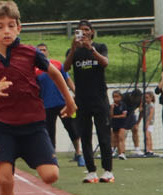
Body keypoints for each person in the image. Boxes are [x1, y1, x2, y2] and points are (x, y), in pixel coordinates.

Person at [0, 0, 75, 195]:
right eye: (0, 27)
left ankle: (28, 159)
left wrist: (70, 100)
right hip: (4, 127)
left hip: (33, 125)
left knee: (50, 176)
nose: (6, 31)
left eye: (11, 25)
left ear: (19, 28)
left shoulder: (31, 53)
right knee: (4, 179)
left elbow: (56, 72)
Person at [65, 19, 113, 184]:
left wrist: (90, 49)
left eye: (86, 30)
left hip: (99, 99)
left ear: (92, 32)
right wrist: (73, 49)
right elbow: (65, 68)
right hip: (82, 100)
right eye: (80, 30)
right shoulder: (74, 51)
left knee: (103, 135)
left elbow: (105, 62)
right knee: (85, 136)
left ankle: (107, 171)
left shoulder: (100, 47)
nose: (83, 33)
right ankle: (91, 171)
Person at [36, 42, 80, 164]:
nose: (42, 52)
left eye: (44, 50)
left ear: (48, 52)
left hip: (63, 103)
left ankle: (78, 153)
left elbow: (67, 79)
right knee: (49, 132)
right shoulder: (34, 70)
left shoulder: (56, 64)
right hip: (46, 105)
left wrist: (76, 93)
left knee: (72, 128)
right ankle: (52, 156)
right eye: (40, 50)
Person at [110, 90, 128, 159]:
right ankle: (115, 152)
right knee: (114, 139)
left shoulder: (123, 105)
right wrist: (112, 108)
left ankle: (122, 153)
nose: (115, 98)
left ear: (120, 97)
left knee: (121, 138)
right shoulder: (112, 105)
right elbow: (111, 115)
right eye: (114, 97)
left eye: (117, 97)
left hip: (122, 123)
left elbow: (124, 115)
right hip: (114, 124)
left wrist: (115, 116)